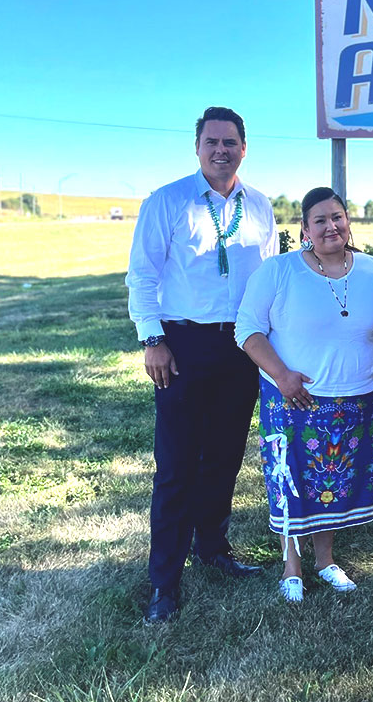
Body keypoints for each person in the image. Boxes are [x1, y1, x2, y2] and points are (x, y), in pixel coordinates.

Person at [126, 106, 277, 623]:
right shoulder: (166, 201)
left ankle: (212, 547)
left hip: (241, 347)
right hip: (182, 346)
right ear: (197, 147)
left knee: (225, 457)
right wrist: (152, 340)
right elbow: (142, 276)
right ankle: (164, 583)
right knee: (175, 468)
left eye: (230, 142)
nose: (221, 150)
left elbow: (270, 280)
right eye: (211, 141)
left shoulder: (260, 206)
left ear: (244, 147)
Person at [235, 187, 373, 602]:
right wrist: (283, 375)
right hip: (292, 400)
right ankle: (292, 567)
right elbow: (247, 330)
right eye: (320, 220)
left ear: (348, 221)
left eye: (337, 217)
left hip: (358, 399)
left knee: (334, 482)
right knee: (291, 479)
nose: (331, 226)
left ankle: (325, 561)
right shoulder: (279, 271)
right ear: (304, 228)